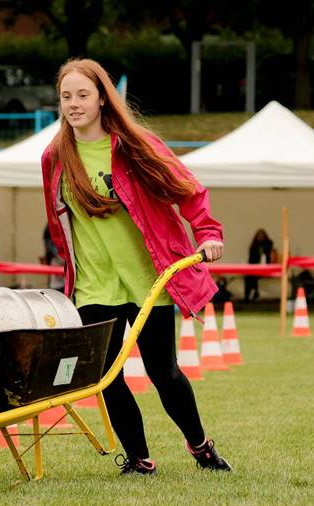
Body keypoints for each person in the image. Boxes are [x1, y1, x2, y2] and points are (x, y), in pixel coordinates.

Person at [41, 58, 231, 475]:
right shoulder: (54, 157)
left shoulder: (134, 146)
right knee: (106, 379)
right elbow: (59, 223)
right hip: (94, 287)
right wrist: (72, 270)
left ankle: (201, 448)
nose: (73, 104)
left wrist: (208, 232)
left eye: (83, 95)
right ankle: (140, 460)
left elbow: (189, 190)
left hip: (149, 282)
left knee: (164, 373)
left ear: (103, 99)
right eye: (66, 97)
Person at [245, 229, 275, 301]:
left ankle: (255, 293)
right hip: (255, 268)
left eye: (262, 235)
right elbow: (251, 259)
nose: (260, 237)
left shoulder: (268, 244)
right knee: (249, 277)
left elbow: (268, 251)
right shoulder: (253, 246)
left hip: (266, 268)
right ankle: (248, 295)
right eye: (259, 236)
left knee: (252, 276)